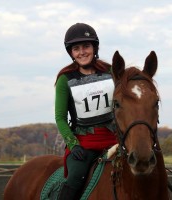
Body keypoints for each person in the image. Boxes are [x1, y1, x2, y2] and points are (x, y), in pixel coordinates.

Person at [54, 23, 117, 200]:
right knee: (75, 178)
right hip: (83, 144)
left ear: (94, 47)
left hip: (114, 141)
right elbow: (60, 118)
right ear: (71, 52)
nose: (82, 52)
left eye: (86, 46)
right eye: (76, 48)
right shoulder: (64, 79)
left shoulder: (111, 72)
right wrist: (73, 145)